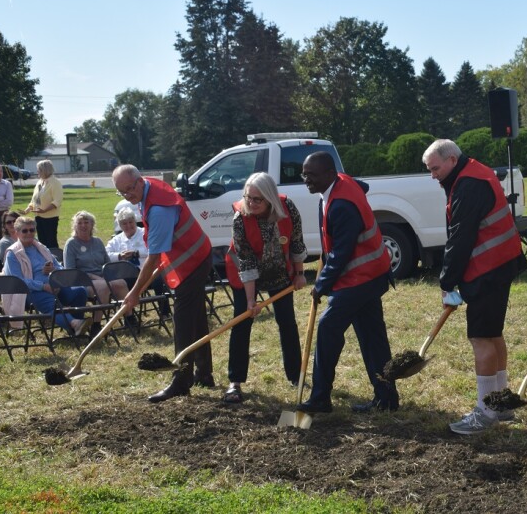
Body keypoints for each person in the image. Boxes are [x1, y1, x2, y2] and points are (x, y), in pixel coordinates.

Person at [422, 139, 525, 435]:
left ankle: (485, 411)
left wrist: (447, 282)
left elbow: (460, 237)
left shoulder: (468, 185)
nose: (433, 175)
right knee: (493, 335)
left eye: (435, 168)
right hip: (500, 264)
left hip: (488, 269)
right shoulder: (472, 173)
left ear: (452, 160)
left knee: (481, 339)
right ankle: (501, 402)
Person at [295, 151, 399, 414]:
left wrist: (321, 286)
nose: (306, 180)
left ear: (330, 174)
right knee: (373, 338)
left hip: (361, 278)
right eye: (304, 174)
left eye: (312, 175)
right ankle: (386, 399)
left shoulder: (342, 205)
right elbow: (361, 186)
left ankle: (320, 398)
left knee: (328, 328)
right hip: (370, 276)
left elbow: (342, 252)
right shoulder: (339, 184)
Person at [113, 164, 215, 403]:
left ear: (139, 181)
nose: (129, 195)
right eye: (122, 192)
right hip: (195, 253)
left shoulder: (159, 209)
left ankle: (181, 381)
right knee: (196, 318)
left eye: (130, 189)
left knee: (182, 321)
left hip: (194, 259)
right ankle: (204, 374)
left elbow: (154, 257)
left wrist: (135, 292)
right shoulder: (146, 186)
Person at [222, 172, 307, 404]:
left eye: (257, 199)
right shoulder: (240, 218)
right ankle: (235, 382)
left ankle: (295, 376)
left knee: (287, 322)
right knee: (242, 322)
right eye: (248, 197)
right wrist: (251, 301)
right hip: (246, 273)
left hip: (279, 271)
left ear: (270, 198)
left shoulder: (287, 207)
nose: (251, 203)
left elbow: (297, 241)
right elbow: (246, 262)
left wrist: (299, 274)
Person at [3, 216, 89, 335]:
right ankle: (74, 324)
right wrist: (44, 286)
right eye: (25, 230)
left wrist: (54, 271)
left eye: (32, 230)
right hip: (30, 292)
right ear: (17, 233)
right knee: (51, 302)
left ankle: (75, 330)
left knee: (80, 291)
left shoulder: (41, 247)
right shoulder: (12, 254)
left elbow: (59, 267)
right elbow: (19, 281)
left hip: (54, 285)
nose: (29, 233)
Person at [105, 207, 172, 323]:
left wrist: (136, 253)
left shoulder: (145, 234)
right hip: (128, 277)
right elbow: (105, 254)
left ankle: (165, 312)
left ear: (135, 221)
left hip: (147, 273)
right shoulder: (117, 240)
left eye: (130, 222)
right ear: (120, 226)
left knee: (158, 280)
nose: (128, 226)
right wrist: (119, 256)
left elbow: (154, 250)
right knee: (120, 285)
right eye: (124, 224)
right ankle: (129, 317)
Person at [63, 210, 129, 327]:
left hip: (102, 277)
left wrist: (107, 275)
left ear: (92, 225)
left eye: (86, 222)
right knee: (103, 286)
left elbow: (107, 264)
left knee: (121, 283)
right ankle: (96, 324)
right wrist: (93, 276)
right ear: (75, 226)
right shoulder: (71, 244)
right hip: (82, 281)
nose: (83, 225)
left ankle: (129, 318)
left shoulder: (98, 242)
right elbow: (70, 271)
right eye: (80, 223)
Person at [25, 160, 63, 249]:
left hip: (50, 218)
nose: (37, 172)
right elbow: (34, 199)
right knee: (42, 242)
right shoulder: (40, 182)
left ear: (44, 170)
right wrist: (28, 209)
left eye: (39, 170)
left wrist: (44, 210)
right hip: (38, 217)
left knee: (51, 242)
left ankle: (54, 260)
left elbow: (57, 201)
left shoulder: (55, 182)